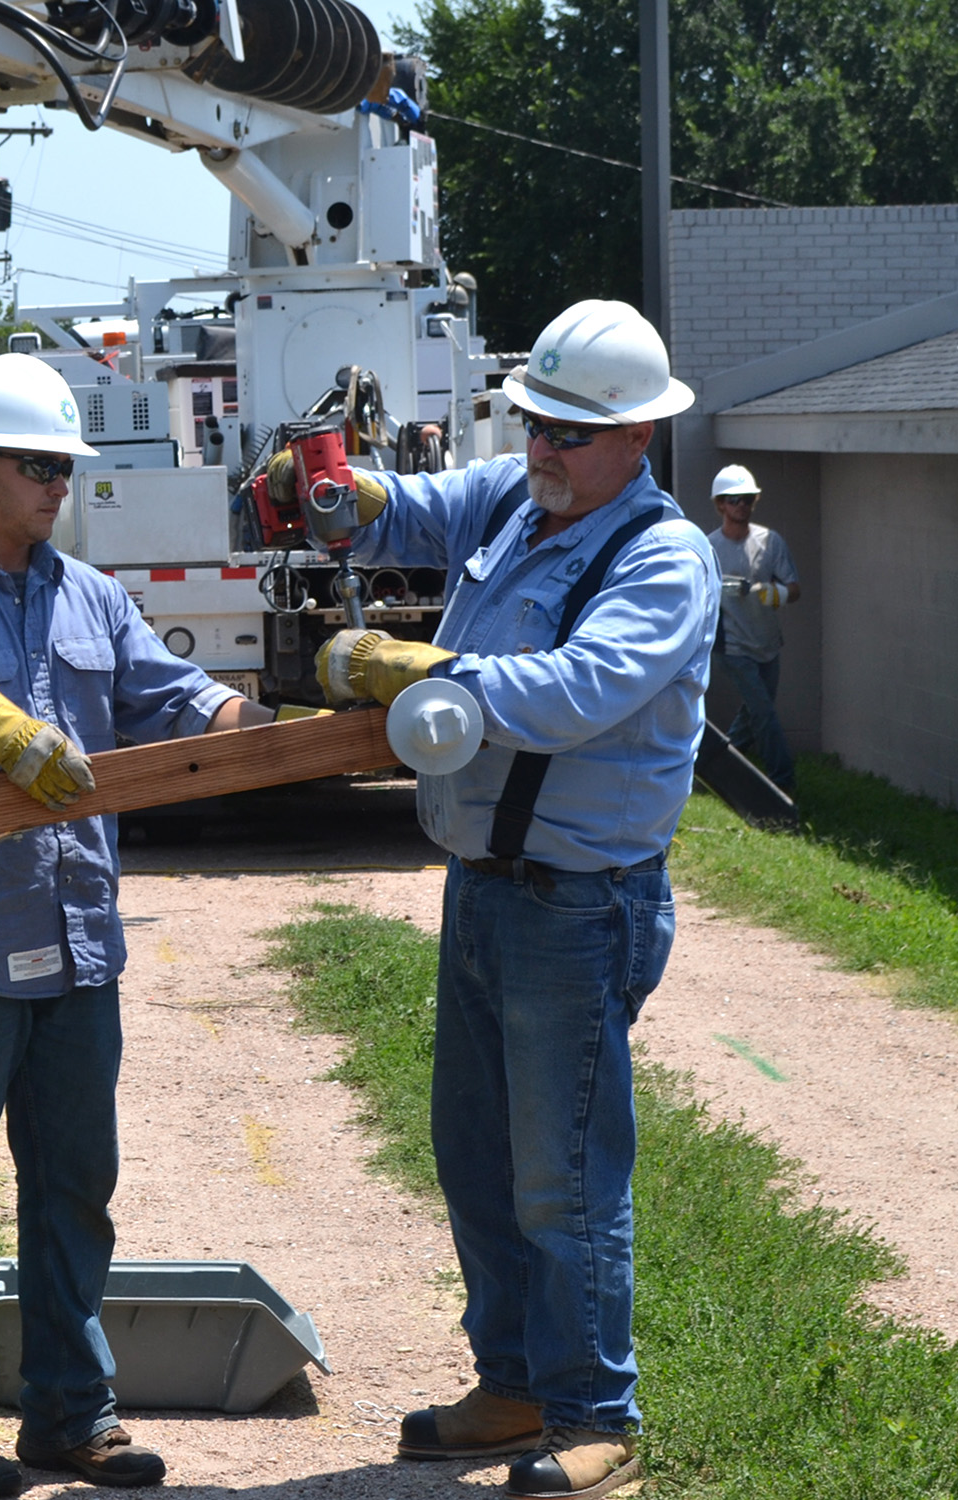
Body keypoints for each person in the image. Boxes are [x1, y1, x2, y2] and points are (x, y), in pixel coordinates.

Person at [0, 353, 272, 1498]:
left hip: (76, 943)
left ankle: (72, 1416)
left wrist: (259, 720)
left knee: (76, 1181)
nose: (56, 485)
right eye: (35, 464)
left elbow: (174, 700)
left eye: (65, 466)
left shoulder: (89, 594)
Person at [299, 300, 716, 1500]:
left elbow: (579, 689)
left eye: (573, 433)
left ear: (640, 436)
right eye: (536, 421)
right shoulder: (521, 500)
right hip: (486, 888)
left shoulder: (660, 555)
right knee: (477, 1154)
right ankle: (516, 1382)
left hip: (578, 906)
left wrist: (432, 671)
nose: (544, 447)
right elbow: (419, 509)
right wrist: (351, 491)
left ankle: (597, 1415)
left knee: (563, 1172)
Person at [706, 464, 800, 791]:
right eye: (734, 500)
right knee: (765, 716)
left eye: (747, 499)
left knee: (751, 716)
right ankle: (781, 786)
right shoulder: (708, 548)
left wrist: (771, 592)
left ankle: (717, 771)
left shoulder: (770, 541)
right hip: (733, 648)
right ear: (720, 504)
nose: (741, 505)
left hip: (768, 645)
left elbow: (795, 588)